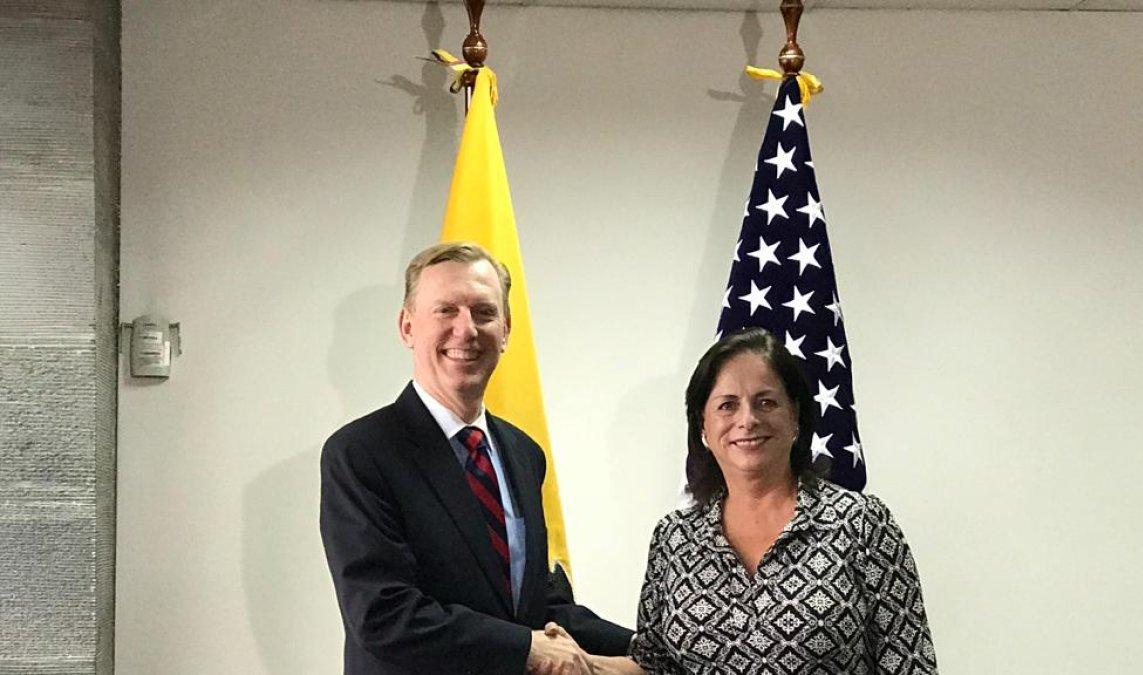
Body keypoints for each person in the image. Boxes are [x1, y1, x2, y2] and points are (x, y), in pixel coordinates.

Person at [320, 242, 633, 674]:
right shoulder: (361, 453)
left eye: (483, 312)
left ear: (506, 330)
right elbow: (383, 614)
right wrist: (526, 648)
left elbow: (539, 603)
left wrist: (648, 647)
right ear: (407, 327)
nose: (466, 330)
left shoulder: (524, 453)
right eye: (446, 310)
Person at [629, 328, 938, 674]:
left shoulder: (861, 524)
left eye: (766, 402)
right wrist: (583, 661)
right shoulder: (673, 538)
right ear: (703, 426)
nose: (747, 420)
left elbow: (911, 665)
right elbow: (653, 666)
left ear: (795, 416)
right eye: (727, 405)